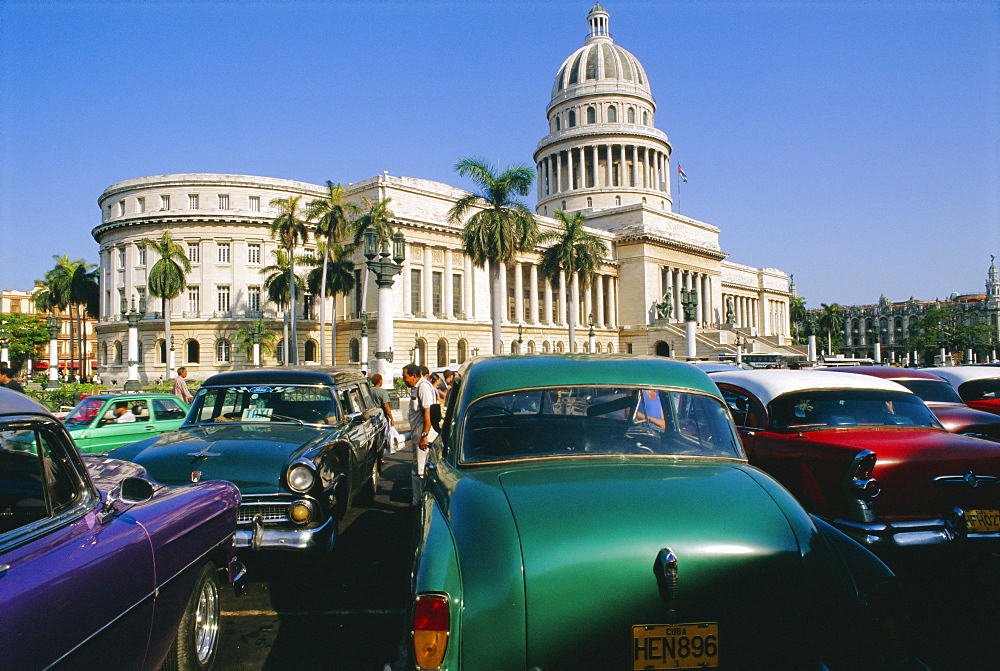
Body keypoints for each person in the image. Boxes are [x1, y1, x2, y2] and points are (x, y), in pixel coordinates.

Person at [404, 362, 436, 505]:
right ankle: (417, 500)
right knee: (417, 469)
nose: (404, 379)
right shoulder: (416, 387)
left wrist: (424, 436)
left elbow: (427, 412)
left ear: (414, 376)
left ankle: (421, 503)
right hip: (418, 434)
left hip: (423, 435)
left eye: (405, 377)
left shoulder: (423, 387)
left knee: (421, 470)